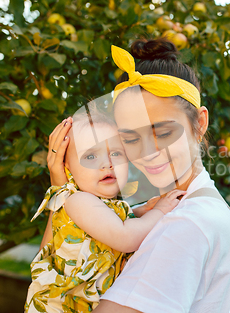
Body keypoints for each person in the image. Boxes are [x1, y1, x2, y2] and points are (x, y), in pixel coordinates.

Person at [46, 39, 230, 313]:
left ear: (200, 123)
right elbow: (51, 264)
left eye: (161, 132)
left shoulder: (186, 223)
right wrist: (62, 191)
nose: (147, 152)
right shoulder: (185, 205)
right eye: (131, 138)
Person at [25, 108, 184, 313]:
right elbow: (125, 237)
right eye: (90, 156)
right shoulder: (78, 201)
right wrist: (159, 211)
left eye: (116, 153)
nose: (107, 164)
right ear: (68, 167)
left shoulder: (100, 204)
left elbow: (109, 223)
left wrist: (139, 211)